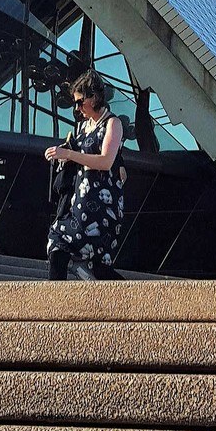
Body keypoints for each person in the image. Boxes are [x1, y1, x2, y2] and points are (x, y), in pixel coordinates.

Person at [44, 71, 127, 280]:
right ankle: (55, 304)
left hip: (101, 206)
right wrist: (64, 156)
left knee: (75, 247)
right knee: (59, 243)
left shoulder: (112, 123)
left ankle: (134, 299)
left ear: (94, 97)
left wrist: (71, 154)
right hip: (79, 199)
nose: (77, 108)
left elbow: (106, 161)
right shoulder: (82, 127)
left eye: (80, 102)